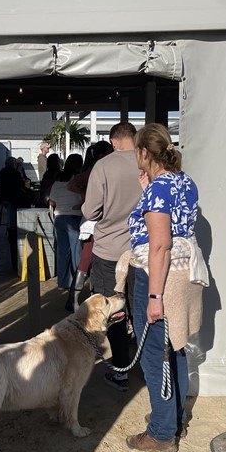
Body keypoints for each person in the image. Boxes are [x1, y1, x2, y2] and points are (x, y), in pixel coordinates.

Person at [124, 123, 203, 452]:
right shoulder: (184, 182)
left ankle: (160, 432)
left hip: (158, 277)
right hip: (183, 276)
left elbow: (159, 246)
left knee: (156, 354)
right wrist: (147, 187)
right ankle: (174, 415)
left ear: (143, 153)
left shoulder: (159, 191)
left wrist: (154, 297)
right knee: (176, 347)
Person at [82, 122, 141, 390]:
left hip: (109, 251)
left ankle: (121, 372)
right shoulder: (147, 162)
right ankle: (147, 364)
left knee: (113, 310)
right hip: (141, 251)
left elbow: (91, 211)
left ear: (114, 141)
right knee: (140, 308)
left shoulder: (104, 166)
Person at [65, 140, 113, 311]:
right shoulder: (96, 169)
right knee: (87, 259)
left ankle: (83, 296)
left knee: (91, 259)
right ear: (101, 155)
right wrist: (86, 194)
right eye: (109, 151)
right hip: (93, 221)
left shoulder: (101, 167)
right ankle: (74, 298)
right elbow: (71, 185)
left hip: (98, 218)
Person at [48, 153, 84, 290]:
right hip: (75, 218)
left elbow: (52, 201)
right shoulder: (79, 182)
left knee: (63, 252)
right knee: (77, 253)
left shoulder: (57, 182)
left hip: (59, 219)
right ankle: (77, 283)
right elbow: (83, 201)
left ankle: (63, 283)